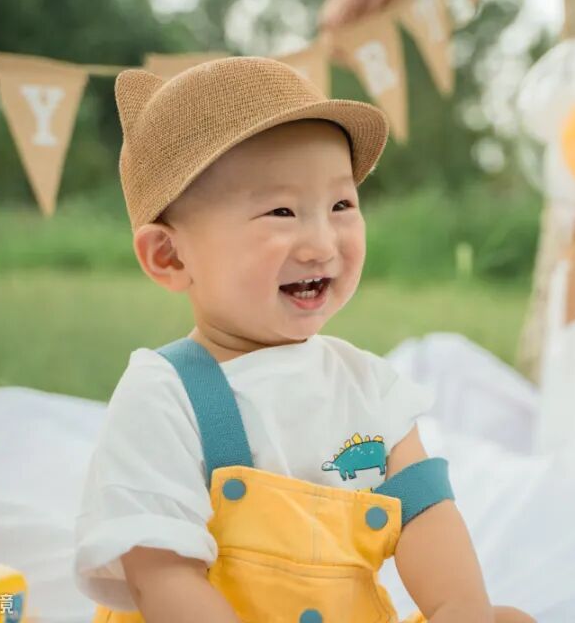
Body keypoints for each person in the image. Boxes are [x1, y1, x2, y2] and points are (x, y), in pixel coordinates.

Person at [73, 56, 534, 623]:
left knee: (506, 619)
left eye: (341, 205)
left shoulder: (370, 386)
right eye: (282, 211)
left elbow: (426, 514)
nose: (321, 244)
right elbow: (161, 577)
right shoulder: (165, 394)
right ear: (170, 256)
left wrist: (458, 608)